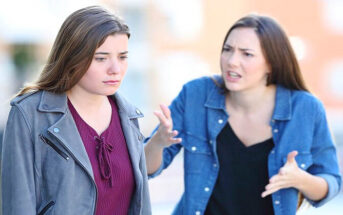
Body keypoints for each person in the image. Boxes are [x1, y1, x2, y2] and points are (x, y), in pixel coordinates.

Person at [144, 14, 341, 215]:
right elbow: (146, 169)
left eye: (246, 54)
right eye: (227, 50)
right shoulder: (195, 95)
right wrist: (158, 142)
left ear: (272, 63)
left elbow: (331, 182)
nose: (232, 61)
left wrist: (301, 180)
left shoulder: (306, 108)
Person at [1, 6, 151, 215]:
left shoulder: (129, 116)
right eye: (101, 58)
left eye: (122, 57)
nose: (115, 69)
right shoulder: (29, 114)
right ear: (73, 58)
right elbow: (17, 205)